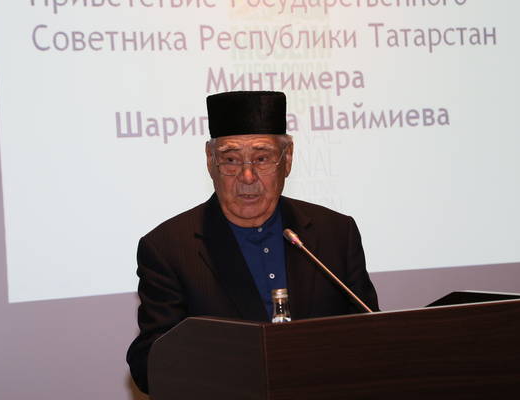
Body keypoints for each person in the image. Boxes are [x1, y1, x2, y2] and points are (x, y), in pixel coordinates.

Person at [126, 91, 379, 394]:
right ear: (210, 161)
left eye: (262, 159)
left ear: (287, 159)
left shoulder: (335, 233)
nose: (247, 176)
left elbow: (372, 336)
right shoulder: (167, 248)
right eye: (231, 160)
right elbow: (148, 365)